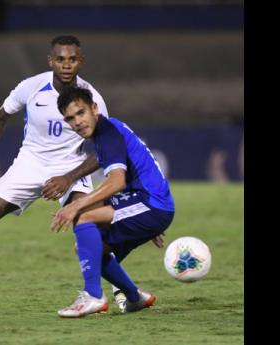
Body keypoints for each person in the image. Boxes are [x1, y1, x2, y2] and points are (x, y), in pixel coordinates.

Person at [0, 35, 109, 305]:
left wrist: (69, 177)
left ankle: (111, 291)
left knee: (89, 223)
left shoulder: (92, 98)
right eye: (60, 59)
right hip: (30, 164)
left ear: (80, 61)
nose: (66, 65)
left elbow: (105, 149)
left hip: (72, 167)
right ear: (51, 61)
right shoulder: (31, 87)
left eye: (72, 59)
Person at [50, 86, 175, 318]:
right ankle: (135, 298)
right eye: (70, 118)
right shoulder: (107, 130)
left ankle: (93, 296)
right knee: (89, 246)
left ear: (94, 109)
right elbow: (122, 178)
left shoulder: (107, 133)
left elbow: (117, 181)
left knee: (83, 216)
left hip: (151, 203)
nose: (77, 122)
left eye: (81, 113)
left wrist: (76, 205)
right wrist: (141, 218)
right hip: (147, 204)